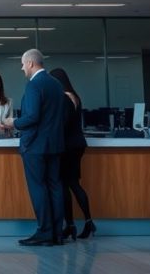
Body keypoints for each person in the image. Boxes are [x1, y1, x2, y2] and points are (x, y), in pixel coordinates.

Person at [2, 49, 65, 246]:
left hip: (35, 146)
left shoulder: (34, 85)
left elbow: (32, 117)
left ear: (30, 63)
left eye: (22, 64)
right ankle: (57, 233)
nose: (22, 68)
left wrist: (13, 122)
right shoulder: (56, 84)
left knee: (38, 188)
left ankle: (45, 232)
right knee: (55, 187)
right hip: (55, 145)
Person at [49, 68, 95, 241]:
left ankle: (70, 225)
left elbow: (60, 124)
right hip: (78, 144)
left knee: (63, 186)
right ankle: (87, 222)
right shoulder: (75, 97)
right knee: (73, 184)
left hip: (66, 146)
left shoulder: (62, 98)